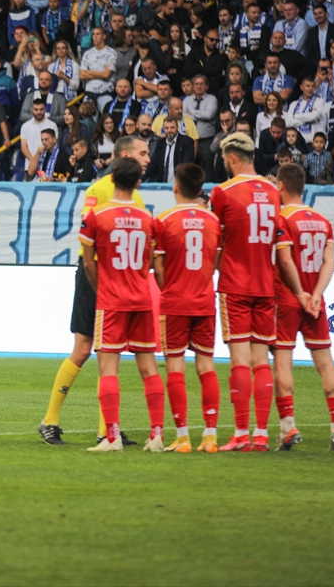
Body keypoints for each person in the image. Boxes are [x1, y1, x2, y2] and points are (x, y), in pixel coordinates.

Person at [38, 135, 150, 447]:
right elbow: (88, 240)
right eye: (143, 153)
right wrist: (100, 284)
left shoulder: (136, 197)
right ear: (125, 155)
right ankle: (50, 420)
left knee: (108, 352)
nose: (148, 158)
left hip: (120, 282)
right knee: (85, 347)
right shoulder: (97, 189)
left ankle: (107, 429)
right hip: (95, 275)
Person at [209, 132, 308, 452]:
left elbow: (215, 243)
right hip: (266, 286)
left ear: (232, 157)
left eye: (225, 158)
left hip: (235, 285)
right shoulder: (272, 190)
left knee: (239, 361)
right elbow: (282, 251)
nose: (224, 162)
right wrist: (300, 290)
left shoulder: (222, 192)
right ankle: (262, 435)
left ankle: (240, 434)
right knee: (260, 362)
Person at [78, 158, 164, 453]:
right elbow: (152, 261)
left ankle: (112, 437)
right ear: (138, 183)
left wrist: (103, 288)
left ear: (112, 178)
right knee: (149, 367)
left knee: (109, 369)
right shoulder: (148, 219)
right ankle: (157, 435)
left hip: (112, 300)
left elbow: (89, 264)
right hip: (140, 297)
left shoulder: (95, 216)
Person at [273, 163, 334, 452]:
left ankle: (288, 427)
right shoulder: (322, 220)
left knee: (283, 361)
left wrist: (301, 293)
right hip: (315, 301)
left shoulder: (282, 219)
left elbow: (286, 260)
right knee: (325, 362)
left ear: (280, 186)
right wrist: (316, 293)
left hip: (288, 298)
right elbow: (330, 262)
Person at [151, 163, 221, 455]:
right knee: (206, 365)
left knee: (176, 365)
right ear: (201, 189)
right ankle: (211, 436)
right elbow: (216, 260)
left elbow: (158, 266)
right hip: (204, 299)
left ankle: (182, 437)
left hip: (176, 301)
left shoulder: (163, 220)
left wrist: (170, 288)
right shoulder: (214, 221)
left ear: (175, 187)